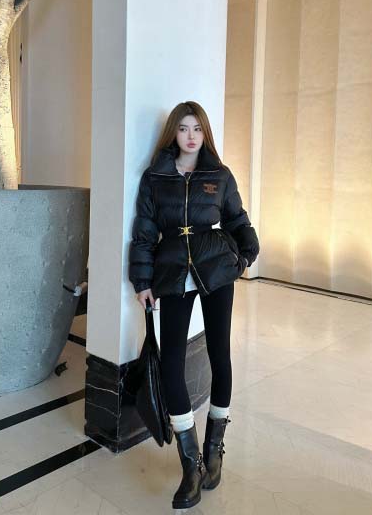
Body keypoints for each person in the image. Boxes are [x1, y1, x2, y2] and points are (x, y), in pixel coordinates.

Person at [128, 101, 260, 510]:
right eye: (184, 128)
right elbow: (145, 231)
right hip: (173, 274)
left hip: (216, 269)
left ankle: (214, 450)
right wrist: (142, 280)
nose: (190, 136)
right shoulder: (155, 177)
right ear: (174, 132)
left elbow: (237, 220)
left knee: (220, 355)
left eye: (197, 128)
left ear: (205, 133)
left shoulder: (219, 175)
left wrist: (245, 255)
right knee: (172, 363)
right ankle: (191, 463)